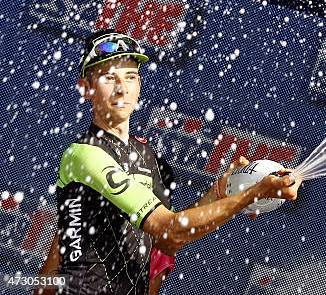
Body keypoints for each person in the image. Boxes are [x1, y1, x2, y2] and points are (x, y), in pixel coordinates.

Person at [36, 30, 301, 294]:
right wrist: (252, 194)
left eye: (131, 77)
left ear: (139, 86)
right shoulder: (84, 154)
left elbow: (167, 244)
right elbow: (169, 231)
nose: (122, 88)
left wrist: (221, 192)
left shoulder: (147, 157)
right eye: (109, 77)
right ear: (86, 89)